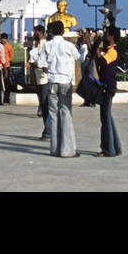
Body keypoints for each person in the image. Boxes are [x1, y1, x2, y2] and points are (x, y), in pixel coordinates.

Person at [41, 20, 80, 157]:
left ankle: (55, 148)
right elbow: (79, 58)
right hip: (65, 81)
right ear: (63, 31)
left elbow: (40, 62)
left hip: (52, 81)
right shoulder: (68, 45)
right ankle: (68, 149)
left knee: (53, 114)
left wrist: (49, 69)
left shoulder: (47, 45)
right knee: (66, 112)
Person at [97, 28, 121, 157]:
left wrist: (99, 53)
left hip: (108, 87)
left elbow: (102, 61)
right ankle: (115, 147)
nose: (105, 36)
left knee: (105, 119)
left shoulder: (112, 52)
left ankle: (108, 149)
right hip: (106, 86)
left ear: (111, 37)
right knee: (108, 118)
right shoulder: (108, 51)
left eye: (107, 34)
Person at [28, 28, 50, 139]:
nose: (35, 34)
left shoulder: (47, 44)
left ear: (41, 33)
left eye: (37, 32)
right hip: (38, 77)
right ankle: (47, 128)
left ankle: (48, 130)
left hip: (46, 78)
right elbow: (31, 61)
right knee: (42, 102)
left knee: (46, 104)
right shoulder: (34, 45)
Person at [0, 33, 14, 105]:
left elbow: (11, 55)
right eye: (2, 39)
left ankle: (6, 100)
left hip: (6, 67)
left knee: (7, 84)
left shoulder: (9, 47)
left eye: (4, 39)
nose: (3, 40)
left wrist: (7, 61)